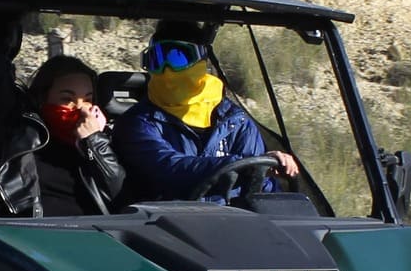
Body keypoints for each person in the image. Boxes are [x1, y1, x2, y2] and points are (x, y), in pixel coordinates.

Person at [114, 19, 299, 201]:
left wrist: (267, 168)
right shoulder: (136, 123)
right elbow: (169, 169)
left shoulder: (236, 122)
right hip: (162, 225)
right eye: (157, 60)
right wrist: (244, 166)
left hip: (235, 225)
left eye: (178, 57)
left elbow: (263, 191)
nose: (167, 69)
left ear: (201, 61)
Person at [0, 54, 126, 216]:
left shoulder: (102, 142)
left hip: (97, 233)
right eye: (67, 99)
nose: (81, 108)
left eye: (87, 99)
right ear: (43, 99)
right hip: (38, 235)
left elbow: (120, 196)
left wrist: (94, 141)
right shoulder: (23, 138)